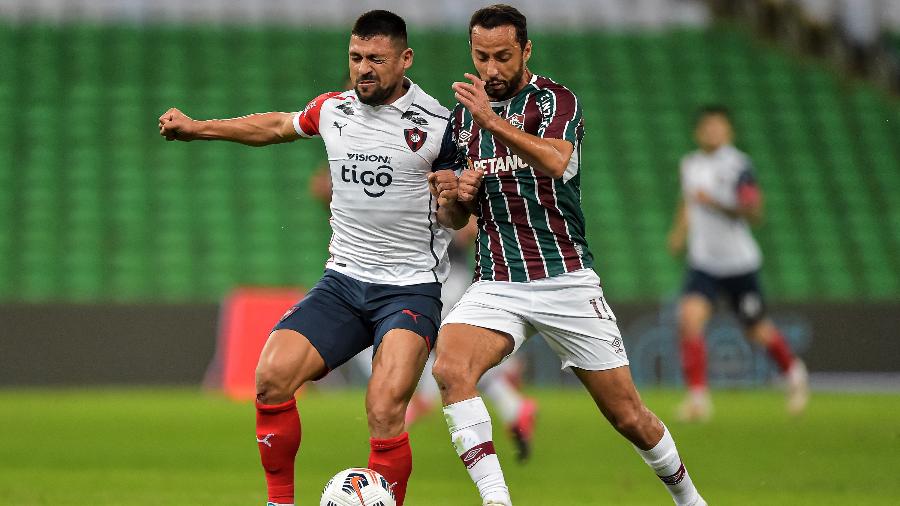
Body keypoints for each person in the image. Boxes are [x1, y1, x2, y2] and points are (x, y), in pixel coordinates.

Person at [158, 10, 464, 506]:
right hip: (343, 283)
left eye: (376, 59)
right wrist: (198, 128)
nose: (364, 68)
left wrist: (452, 199)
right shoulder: (333, 109)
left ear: (405, 59)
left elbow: (454, 217)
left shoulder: (438, 126)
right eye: (356, 57)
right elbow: (276, 125)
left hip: (409, 289)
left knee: (385, 407)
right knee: (271, 377)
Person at [429, 5, 706, 506]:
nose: (491, 69)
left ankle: (689, 499)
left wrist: (492, 121)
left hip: (565, 278)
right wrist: (452, 196)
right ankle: (497, 500)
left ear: (526, 50)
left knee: (629, 416)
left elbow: (557, 161)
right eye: (481, 56)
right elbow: (453, 220)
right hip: (497, 281)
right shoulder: (460, 121)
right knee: (450, 368)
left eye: (503, 56)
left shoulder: (556, 100)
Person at [667, 105, 809, 422]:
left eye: (718, 127)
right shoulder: (690, 164)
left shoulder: (739, 165)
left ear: (728, 131)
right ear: (698, 131)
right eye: (707, 127)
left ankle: (794, 371)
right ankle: (698, 400)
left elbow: (754, 211)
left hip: (738, 264)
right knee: (689, 319)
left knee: (757, 330)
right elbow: (688, 200)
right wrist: (679, 231)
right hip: (703, 261)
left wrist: (715, 203)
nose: (712, 132)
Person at [405, 216, 539, 463]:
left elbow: (471, 225)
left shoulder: (444, 185)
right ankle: (515, 407)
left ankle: (416, 406)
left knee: (440, 344)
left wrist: (452, 229)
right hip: (437, 277)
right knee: (451, 356)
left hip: (448, 279)